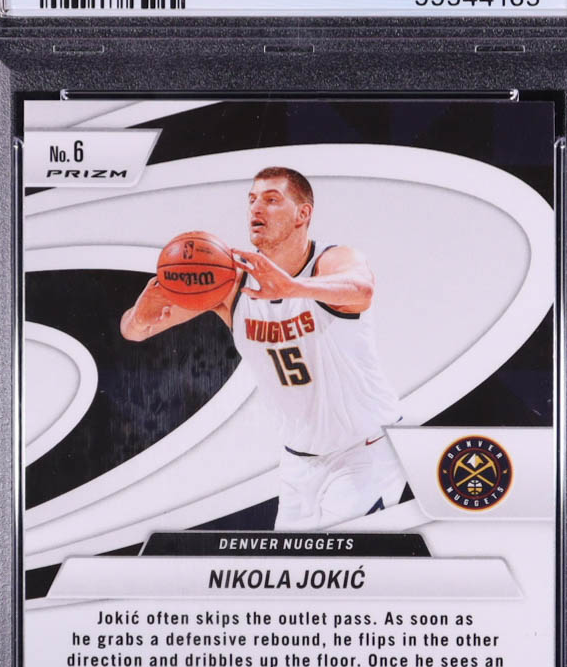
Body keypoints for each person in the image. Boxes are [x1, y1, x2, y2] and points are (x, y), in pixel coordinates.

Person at [120, 167, 407, 529]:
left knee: (336, 559)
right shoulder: (229, 282)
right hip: (298, 463)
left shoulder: (331, 261)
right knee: (287, 566)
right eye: (252, 200)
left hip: (365, 452)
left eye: (272, 200)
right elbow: (134, 331)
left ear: (303, 213)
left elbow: (362, 289)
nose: (257, 208)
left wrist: (293, 288)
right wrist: (142, 312)